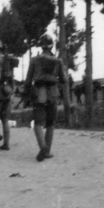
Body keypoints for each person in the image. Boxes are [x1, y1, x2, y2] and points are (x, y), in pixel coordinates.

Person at [24, 33, 67, 162]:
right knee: (50, 123)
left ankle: (42, 146)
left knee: (37, 122)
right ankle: (47, 151)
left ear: (41, 46)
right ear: (51, 45)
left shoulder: (34, 60)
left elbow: (28, 80)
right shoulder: (58, 60)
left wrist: (26, 93)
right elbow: (64, 79)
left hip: (39, 93)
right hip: (53, 93)